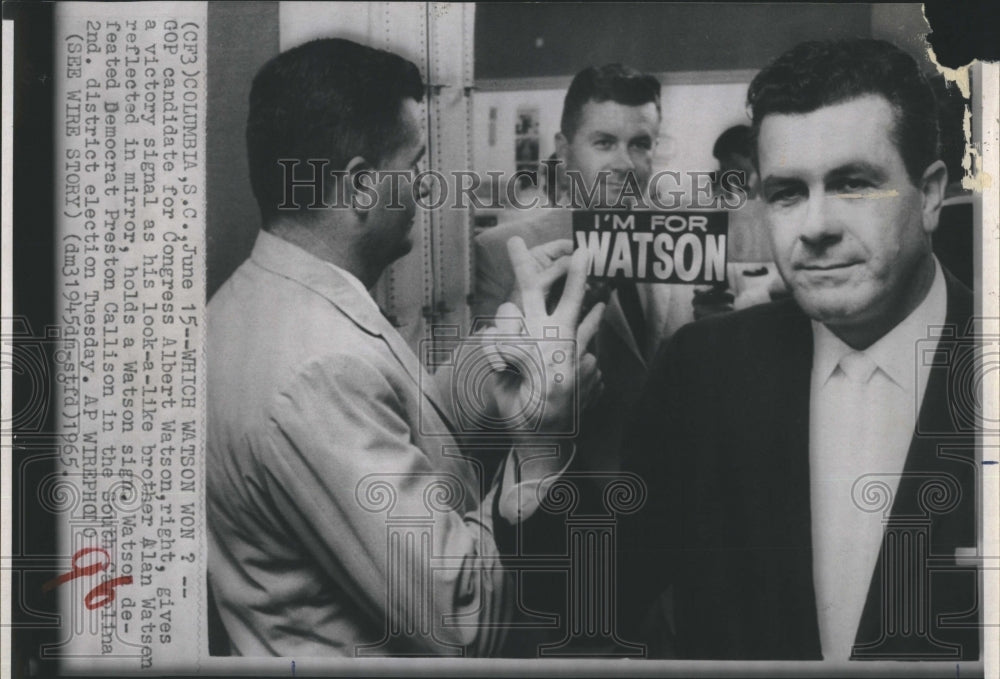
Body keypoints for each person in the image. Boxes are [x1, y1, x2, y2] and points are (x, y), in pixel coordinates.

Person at [207, 38, 602, 657]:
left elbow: (388, 425)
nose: (424, 189)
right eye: (414, 168)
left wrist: (491, 355)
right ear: (363, 186)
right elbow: (464, 621)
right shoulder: (320, 371)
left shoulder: (256, 303)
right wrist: (538, 449)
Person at [618, 39, 979, 662]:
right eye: (787, 192)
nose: (814, 226)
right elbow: (593, 610)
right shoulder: (700, 374)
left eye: (853, 184)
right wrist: (538, 451)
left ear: (930, 195)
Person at [474, 64, 695, 474]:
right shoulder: (504, 251)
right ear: (563, 149)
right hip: (570, 499)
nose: (625, 164)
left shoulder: (676, 241)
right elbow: (483, 413)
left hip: (673, 493)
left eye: (640, 143)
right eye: (605, 142)